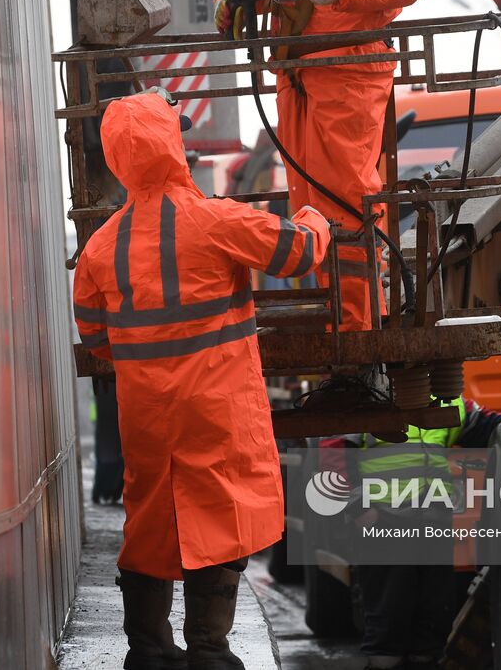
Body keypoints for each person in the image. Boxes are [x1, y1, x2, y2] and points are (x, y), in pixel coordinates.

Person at [73, 89, 329, 669]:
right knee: (217, 516)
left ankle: (147, 649)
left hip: (146, 413)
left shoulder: (100, 247)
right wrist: (316, 214)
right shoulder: (214, 220)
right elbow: (298, 253)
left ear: (117, 158)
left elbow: (94, 335)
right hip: (215, 407)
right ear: (173, 146)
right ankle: (210, 651)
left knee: (151, 522)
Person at [213, 0, 425, 331]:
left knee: (347, 207)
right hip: (298, 75)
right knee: (310, 211)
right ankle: (342, 330)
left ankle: (358, 335)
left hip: (347, 75)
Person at [341, 397, 501, 668]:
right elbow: (334, 456)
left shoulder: (446, 399)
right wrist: (359, 509)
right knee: (388, 616)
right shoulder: (366, 396)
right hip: (385, 520)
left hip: (433, 520)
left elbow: (485, 427)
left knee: (435, 613)